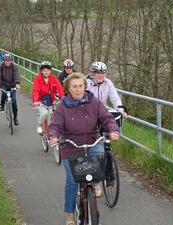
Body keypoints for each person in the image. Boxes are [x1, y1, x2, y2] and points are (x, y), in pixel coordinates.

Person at [48, 72, 120, 225]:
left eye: (81, 86)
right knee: (72, 181)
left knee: (100, 159)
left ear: (85, 86)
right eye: (74, 86)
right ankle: (69, 215)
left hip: (93, 141)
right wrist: (53, 136)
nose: (78, 89)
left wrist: (113, 130)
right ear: (68, 88)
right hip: (71, 146)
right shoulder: (62, 107)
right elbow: (55, 125)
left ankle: (95, 184)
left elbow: (106, 118)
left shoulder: (95, 102)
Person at [32, 61, 65, 134]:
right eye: (44, 71)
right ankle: (39, 125)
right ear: (41, 71)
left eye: (48, 70)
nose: (46, 72)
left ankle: (51, 133)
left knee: (53, 116)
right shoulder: (38, 78)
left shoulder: (53, 78)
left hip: (51, 101)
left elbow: (59, 87)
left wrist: (62, 97)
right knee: (44, 113)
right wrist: (36, 101)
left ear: (50, 71)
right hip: (40, 101)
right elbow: (36, 90)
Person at [0, 53, 21, 126]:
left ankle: (15, 118)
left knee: (14, 102)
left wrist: (17, 83)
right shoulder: (0, 67)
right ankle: (2, 106)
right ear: (4, 61)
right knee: (3, 93)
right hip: (4, 84)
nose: (7, 62)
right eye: (6, 60)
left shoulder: (14, 67)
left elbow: (17, 75)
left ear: (11, 61)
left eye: (9, 60)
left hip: (12, 85)